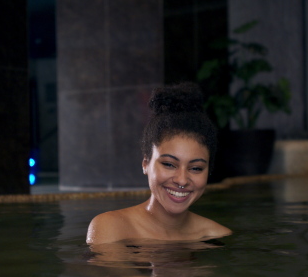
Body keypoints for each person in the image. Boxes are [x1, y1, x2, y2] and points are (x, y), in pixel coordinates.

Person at [86, 82, 232, 245]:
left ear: (208, 172)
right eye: (169, 164)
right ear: (146, 163)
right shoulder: (112, 227)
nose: (182, 180)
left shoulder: (216, 236)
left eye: (196, 168)